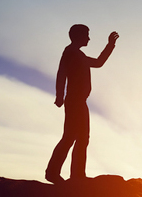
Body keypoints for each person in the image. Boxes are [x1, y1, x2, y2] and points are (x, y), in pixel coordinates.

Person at [45, 24, 119, 184]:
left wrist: (110, 45)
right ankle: (56, 172)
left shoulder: (79, 55)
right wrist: (60, 95)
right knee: (71, 137)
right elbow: (61, 73)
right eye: (87, 35)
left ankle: (76, 174)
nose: (89, 38)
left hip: (79, 102)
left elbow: (99, 62)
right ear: (78, 36)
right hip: (74, 101)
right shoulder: (70, 53)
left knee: (81, 138)